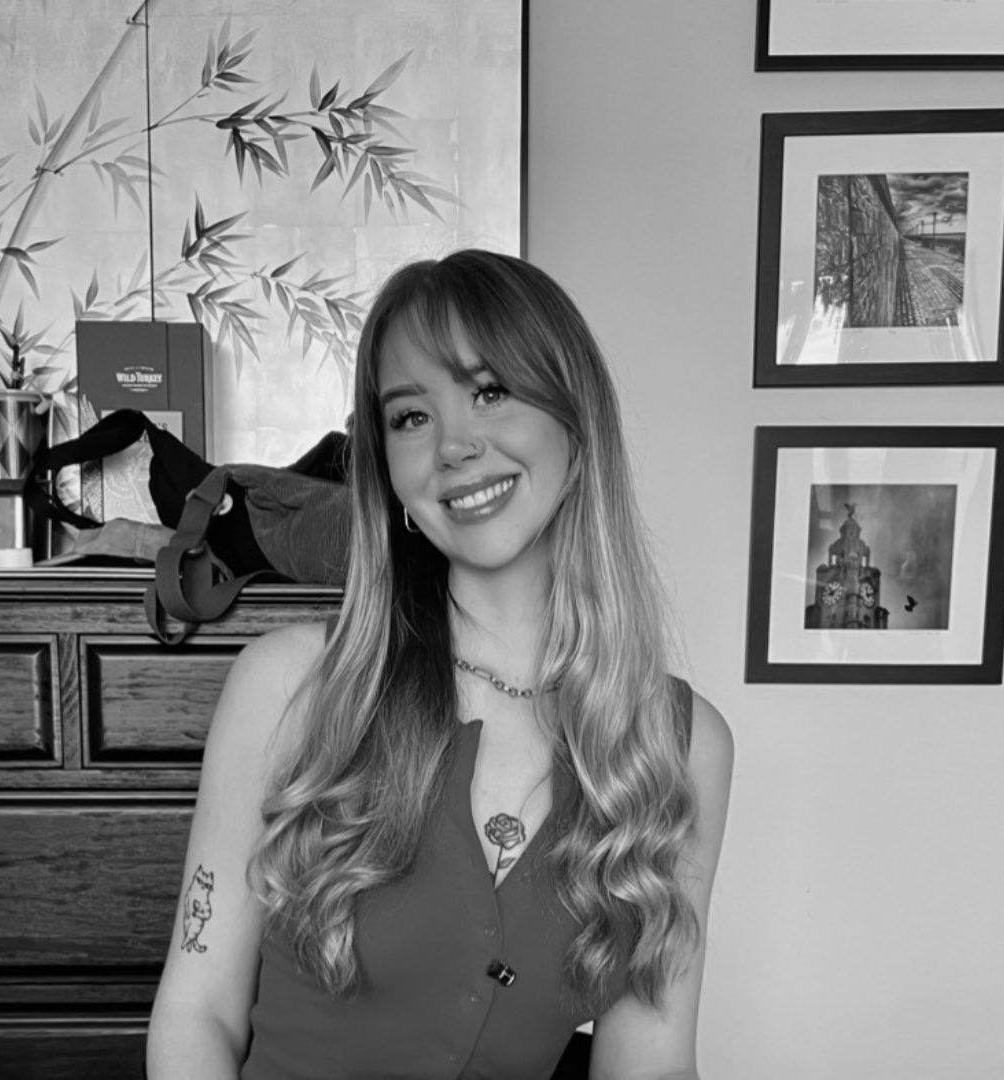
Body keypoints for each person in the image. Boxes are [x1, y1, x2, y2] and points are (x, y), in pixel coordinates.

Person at [146, 249, 733, 1080]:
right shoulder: (289, 685)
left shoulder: (679, 744)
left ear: (577, 423)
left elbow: (651, 1062)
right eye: (411, 417)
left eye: (490, 391)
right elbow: (197, 1011)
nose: (455, 445)